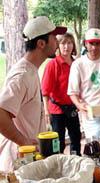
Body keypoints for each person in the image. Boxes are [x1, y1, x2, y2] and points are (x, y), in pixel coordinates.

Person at [0, 16, 67, 172]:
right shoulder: (22, 75)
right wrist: (24, 142)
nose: (57, 42)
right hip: (17, 161)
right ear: (41, 43)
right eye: (54, 38)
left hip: (27, 159)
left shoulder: (31, 70)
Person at [41, 33, 81, 155]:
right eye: (63, 43)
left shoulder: (77, 64)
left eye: (69, 43)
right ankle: (59, 166)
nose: (66, 47)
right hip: (57, 110)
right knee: (59, 142)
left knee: (76, 139)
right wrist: (46, 111)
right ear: (58, 46)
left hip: (73, 108)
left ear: (73, 45)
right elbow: (45, 90)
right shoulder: (53, 64)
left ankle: (76, 165)